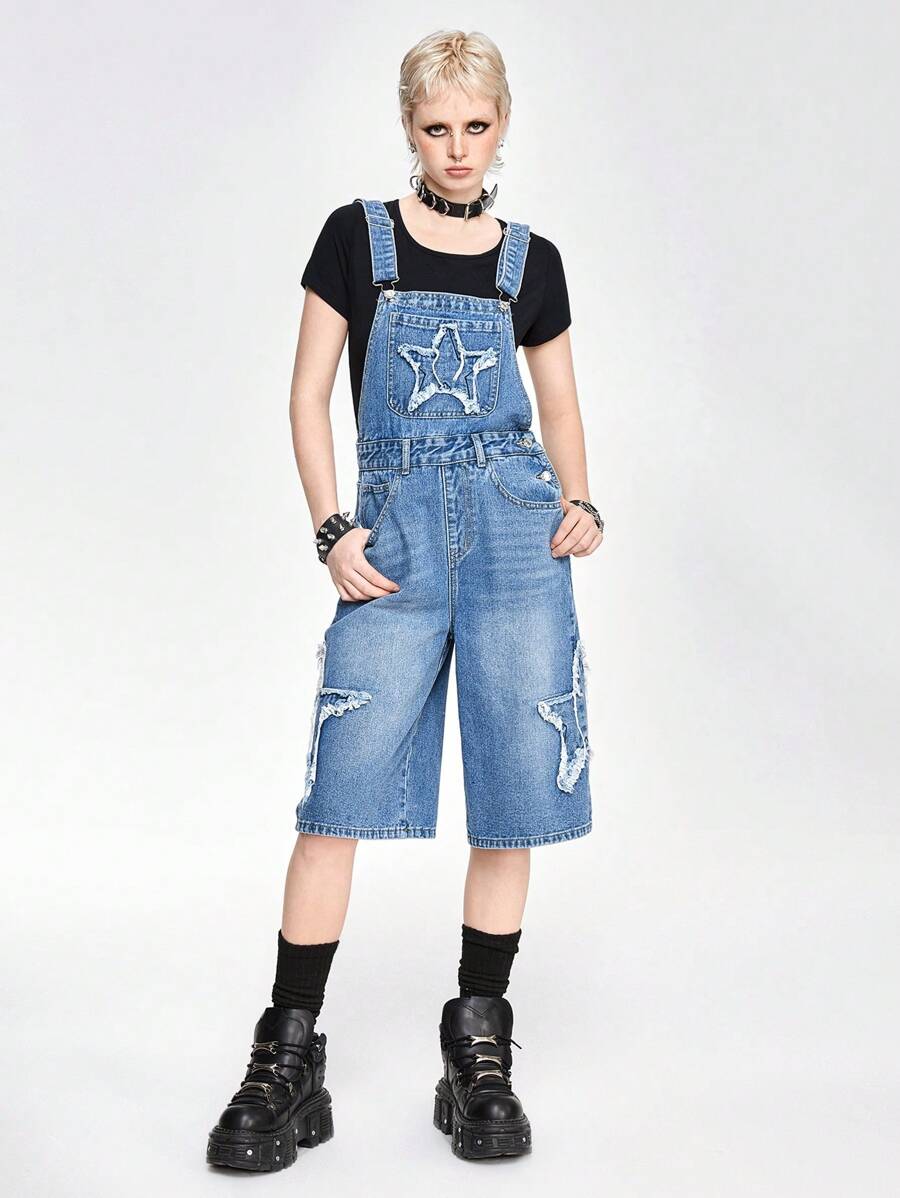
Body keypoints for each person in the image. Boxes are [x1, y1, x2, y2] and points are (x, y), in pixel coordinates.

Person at [206, 28, 604, 1172]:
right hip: (396, 547)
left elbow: (559, 405)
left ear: (503, 124)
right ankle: (288, 1052)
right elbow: (307, 395)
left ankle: (478, 1043)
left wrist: (581, 499)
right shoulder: (357, 238)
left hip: (517, 537)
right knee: (339, 791)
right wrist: (332, 527)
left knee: (513, 795)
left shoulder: (531, 262)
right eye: (437, 128)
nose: (458, 148)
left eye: (476, 126)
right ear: (409, 128)